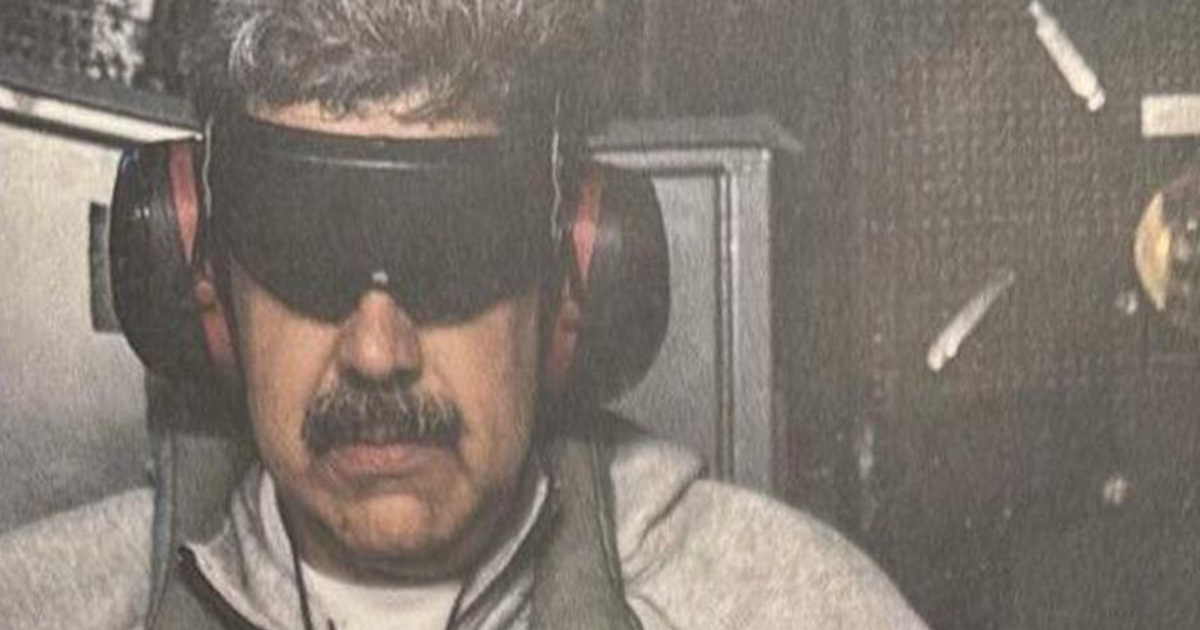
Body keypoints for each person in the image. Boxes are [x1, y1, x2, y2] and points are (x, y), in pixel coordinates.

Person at [0, 1, 928, 629]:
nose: (377, 351)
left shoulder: (792, 608)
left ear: (573, 279)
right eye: (305, 248)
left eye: (451, 251)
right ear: (201, 271)